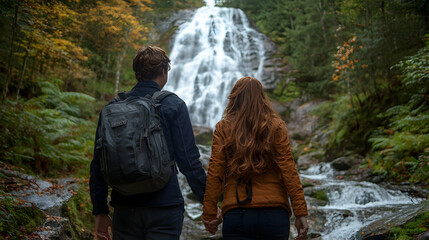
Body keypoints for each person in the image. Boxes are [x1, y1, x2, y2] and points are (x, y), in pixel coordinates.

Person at [90, 46, 207, 240]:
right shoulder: (173, 105)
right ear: (164, 70)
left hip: (125, 208)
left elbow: (98, 164)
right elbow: (189, 161)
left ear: (137, 73)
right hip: (165, 206)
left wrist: (100, 211)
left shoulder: (112, 108)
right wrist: (207, 201)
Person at [201, 76, 309, 240]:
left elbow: (215, 173)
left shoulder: (223, 127)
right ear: (262, 98)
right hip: (275, 215)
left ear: (234, 98)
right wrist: (300, 213)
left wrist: (209, 214)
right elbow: (289, 170)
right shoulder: (276, 126)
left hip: (237, 214)